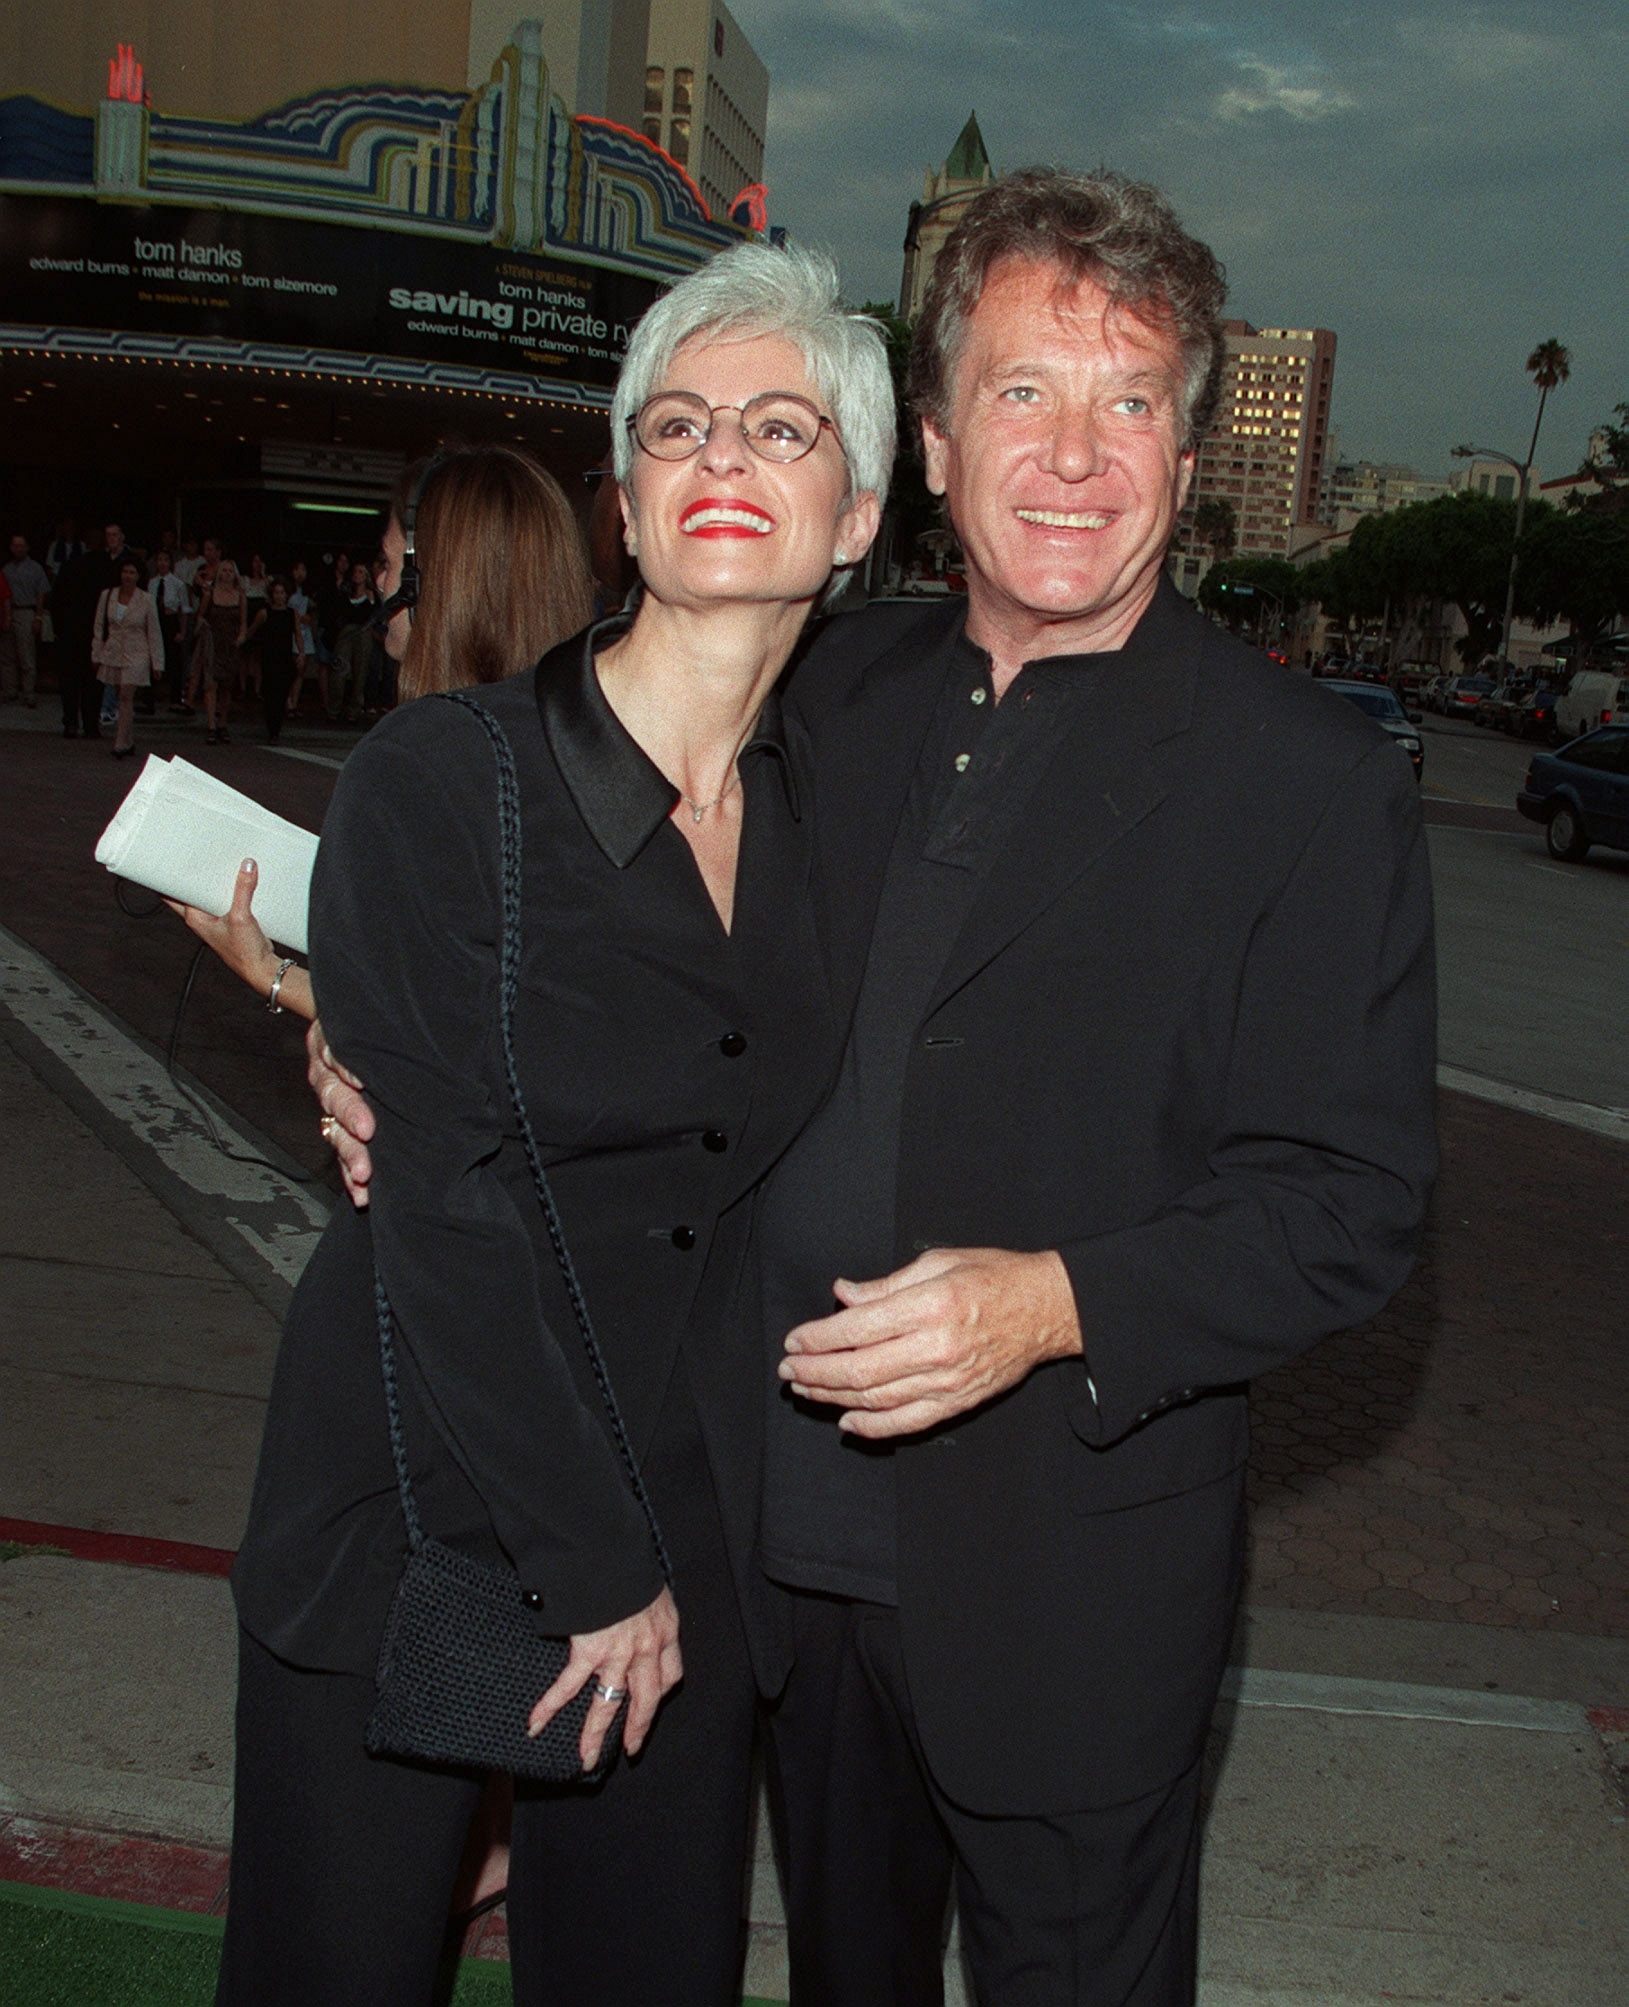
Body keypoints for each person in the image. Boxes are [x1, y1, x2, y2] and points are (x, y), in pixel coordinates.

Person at [217, 254, 892, 2007]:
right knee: (338, 1972)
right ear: (625, 500)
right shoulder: (446, 780)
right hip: (423, 1494)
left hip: (685, 1519)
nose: (718, 452)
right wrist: (597, 1574)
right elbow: (442, 1200)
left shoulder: (831, 810)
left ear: (859, 512)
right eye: (673, 424)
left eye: (777, 424)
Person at [91, 556, 163, 757]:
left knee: (125, 695)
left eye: (132, 572)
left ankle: (120, 742)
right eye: (125, 572)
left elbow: (154, 631)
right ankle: (128, 740)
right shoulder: (107, 596)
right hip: (114, 650)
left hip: (137, 651)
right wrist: (96, 653)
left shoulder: (146, 599)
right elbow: (99, 626)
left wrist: (157, 662)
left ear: (139, 576)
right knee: (121, 696)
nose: (128, 576)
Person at [193, 556, 247, 744]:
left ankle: (223, 722)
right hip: (213, 643)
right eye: (224, 570)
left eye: (230, 571)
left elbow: (243, 623)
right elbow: (200, 616)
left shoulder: (240, 596)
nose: (227, 574)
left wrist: (240, 637)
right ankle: (211, 724)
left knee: (226, 686)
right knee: (211, 684)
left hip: (230, 644)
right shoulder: (210, 594)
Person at [247, 577, 301, 741]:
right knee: (270, 695)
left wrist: (301, 653)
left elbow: (297, 634)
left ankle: (276, 728)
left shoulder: (292, 613)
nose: (279, 596)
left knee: (282, 694)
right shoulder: (265, 613)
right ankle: (271, 729)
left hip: (284, 658)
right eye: (277, 593)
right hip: (269, 658)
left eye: (282, 593)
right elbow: (252, 630)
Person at [2, 532, 50, 707]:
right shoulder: (6, 569)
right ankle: (10, 690)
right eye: (15, 545)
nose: (18, 548)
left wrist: (38, 616)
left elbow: (41, 593)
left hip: (26, 611)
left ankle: (29, 693)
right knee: (7, 655)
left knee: (26, 656)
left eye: (21, 545)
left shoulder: (35, 568)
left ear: (27, 547)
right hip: (9, 612)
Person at [325, 560, 376, 722]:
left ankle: (354, 710)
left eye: (361, 572)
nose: (357, 575)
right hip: (346, 632)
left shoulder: (370, 594)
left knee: (360, 672)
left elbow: (374, 614)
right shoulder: (346, 592)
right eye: (356, 571)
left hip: (363, 631)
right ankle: (334, 708)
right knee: (339, 670)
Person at [148, 548, 191, 708]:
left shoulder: (177, 584)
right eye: (160, 560)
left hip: (171, 620)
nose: (162, 563)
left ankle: (175, 698)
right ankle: (149, 698)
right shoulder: (152, 583)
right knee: (153, 658)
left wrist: (183, 631)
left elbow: (184, 609)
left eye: (165, 560)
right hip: (156, 620)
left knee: (174, 661)